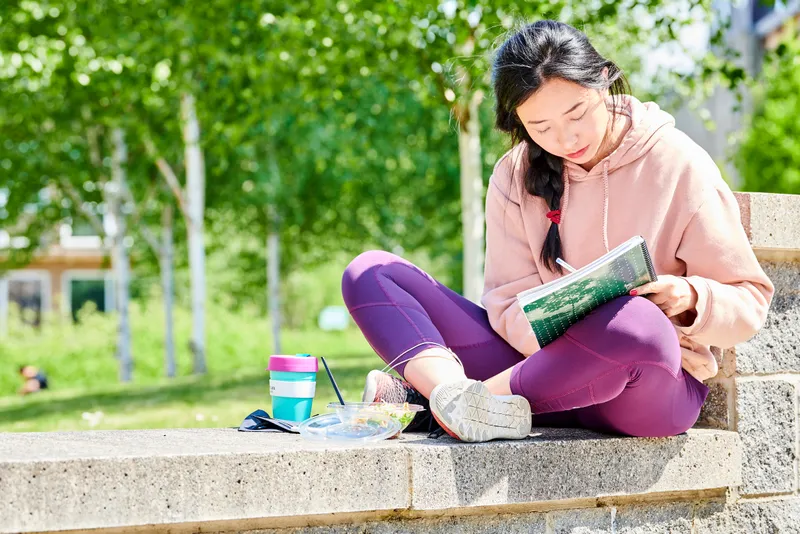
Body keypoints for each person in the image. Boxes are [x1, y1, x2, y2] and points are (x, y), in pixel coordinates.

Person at [342, 20, 774, 443]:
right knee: (371, 273)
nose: (566, 139)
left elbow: (750, 300)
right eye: (541, 128)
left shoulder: (678, 163)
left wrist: (690, 297)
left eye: (577, 114)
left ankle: (442, 406)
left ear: (603, 80)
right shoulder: (514, 175)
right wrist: (562, 337)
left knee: (635, 324)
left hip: (644, 388)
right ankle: (451, 396)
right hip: (538, 371)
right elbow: (506, 301)